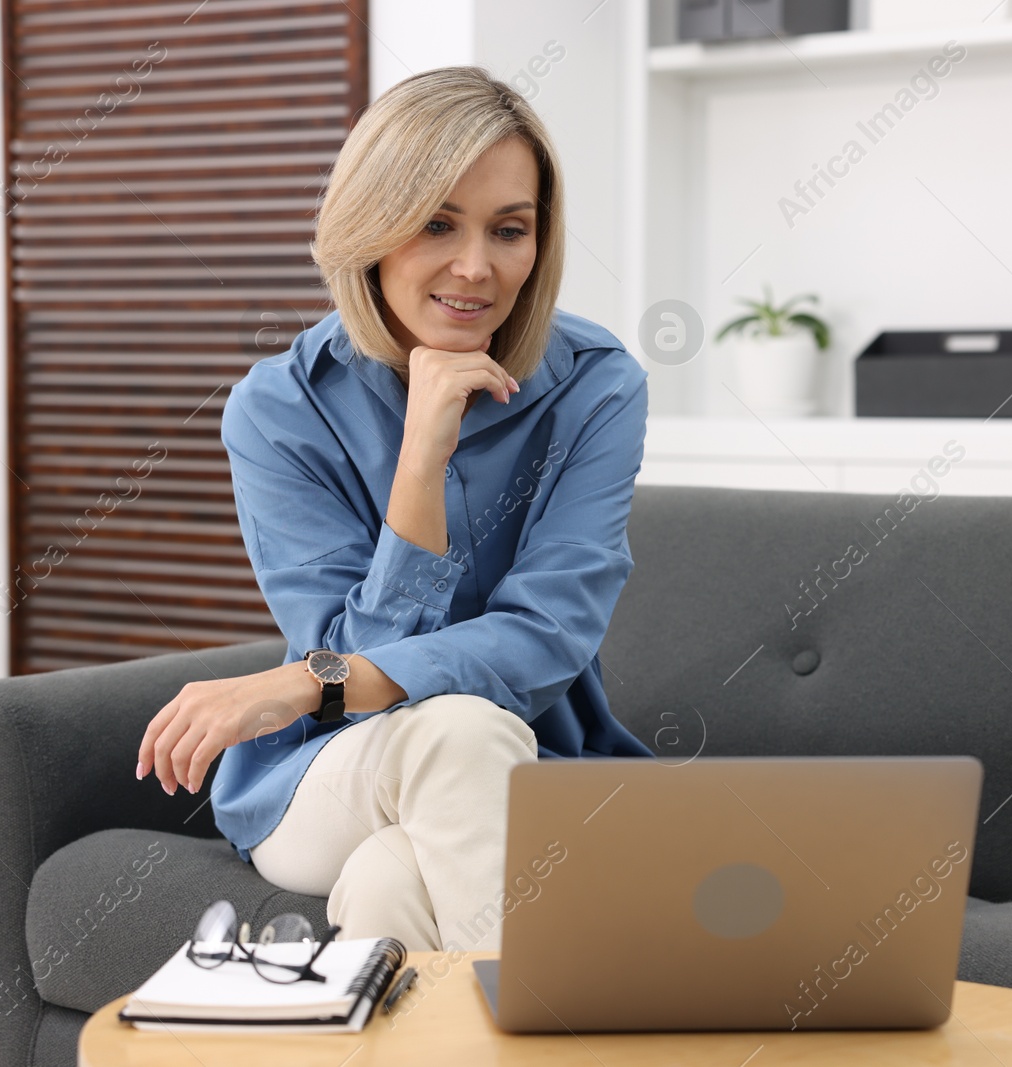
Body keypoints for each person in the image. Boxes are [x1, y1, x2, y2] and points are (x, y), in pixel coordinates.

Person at [135, 66, 653, 953]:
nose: (476, 267)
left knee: (389, 880)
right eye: (437, 222)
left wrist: (305, 678)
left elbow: (544, 640)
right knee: (455, 731)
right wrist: (422, 461)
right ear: (370, 226)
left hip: (536, 768)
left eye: (509, 229)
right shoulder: (280, 411)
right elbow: (357, 669)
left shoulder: (597, 388)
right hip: (326, 771)